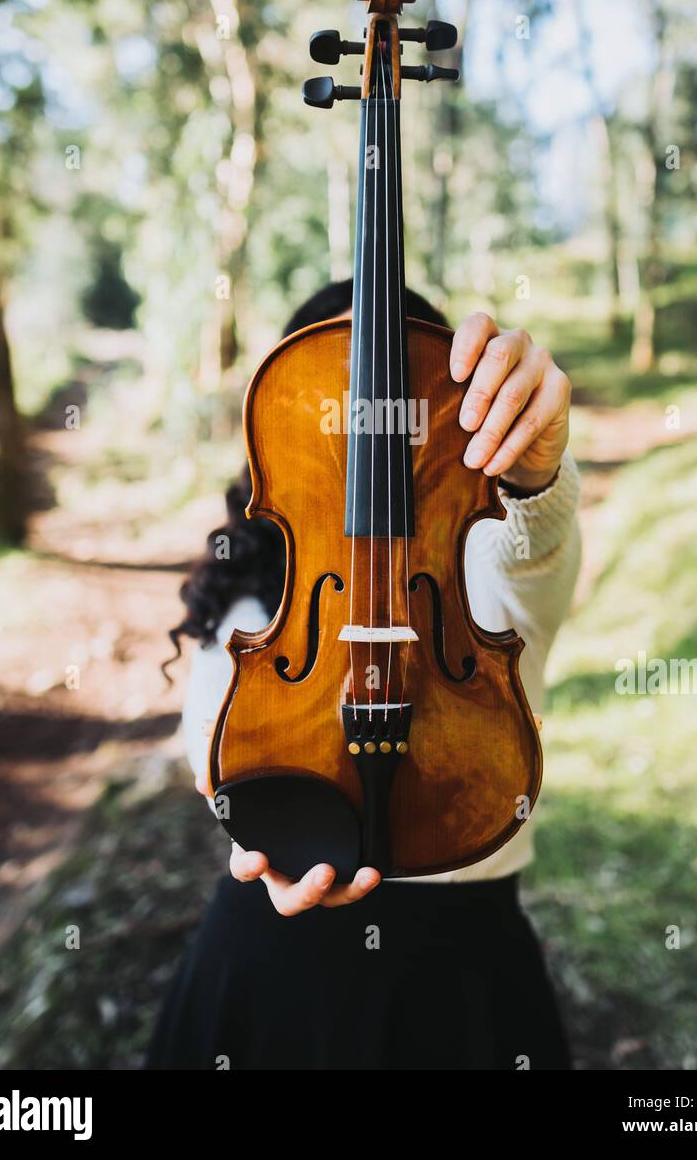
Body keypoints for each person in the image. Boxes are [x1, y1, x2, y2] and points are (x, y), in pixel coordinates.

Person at [148, 279, 580, 1070]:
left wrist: (534, 477)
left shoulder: (481, 557)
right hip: (272, 957)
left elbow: (535, 552)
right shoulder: (250, 593)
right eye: (338, 404)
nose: (369, 438)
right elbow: (218, 749)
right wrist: (256, 825)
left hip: (461, 966)